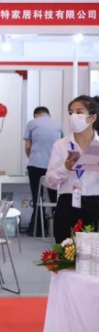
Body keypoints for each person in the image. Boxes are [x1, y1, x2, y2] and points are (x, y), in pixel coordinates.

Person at [46, 95, 99, 244]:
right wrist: (65, 168)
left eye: (79, 112)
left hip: (95, 203)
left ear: (92, 117)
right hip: (68, 203)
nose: (74, 116)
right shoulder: (61, 145)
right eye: (71, 112)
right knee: (65, 251)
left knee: (94, 253)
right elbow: (50, 180)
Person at [24, 106, 63, 236]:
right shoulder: (58, 124)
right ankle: (56, 229)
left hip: (35, 166)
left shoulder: (31, 123)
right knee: (55, 198)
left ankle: (37, 229)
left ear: (36, 114)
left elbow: (28, 146)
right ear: (48, 114)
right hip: (55, 166)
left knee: (38, 199)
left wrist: (32, 158)